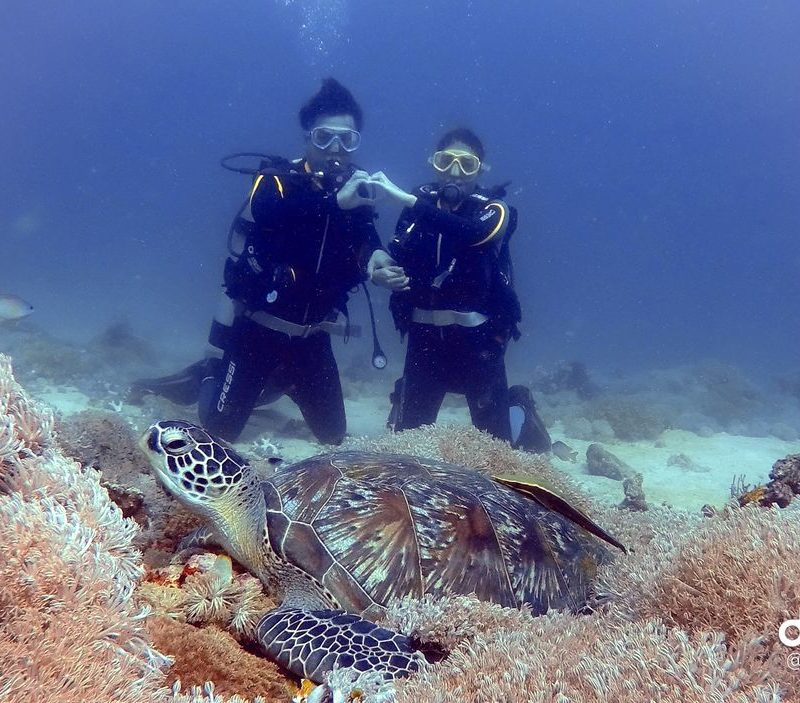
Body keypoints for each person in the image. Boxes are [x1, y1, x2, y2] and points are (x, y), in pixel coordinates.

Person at [130, 78, 404, 444]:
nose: (335, 149)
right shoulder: (275, 178)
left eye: (347, 140)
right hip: (257, 333)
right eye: (324, 137)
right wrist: (334, 202)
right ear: (307, 138)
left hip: (313, 338)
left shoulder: (357, 191)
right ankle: (210, 373)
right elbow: (269, 212)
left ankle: (283, 381)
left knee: (334, 435)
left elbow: (365, 237)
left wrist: (378, 259)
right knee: (220, 431)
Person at [369, 128, 551, 452]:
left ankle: (519, 408)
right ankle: (404, 398)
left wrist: (408, 200)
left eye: (466, 164)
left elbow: (473, 233)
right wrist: (380, 270)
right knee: (408, 447)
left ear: (481, 169)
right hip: (424, 341)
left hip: (479, 345)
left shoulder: (495, 209)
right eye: (446, 162)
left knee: (498, 451)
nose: (455, 172)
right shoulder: (417, 206)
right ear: (434, 164)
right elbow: (397, 255)